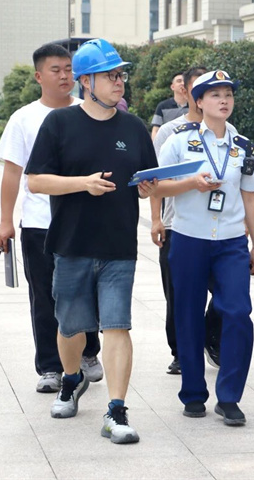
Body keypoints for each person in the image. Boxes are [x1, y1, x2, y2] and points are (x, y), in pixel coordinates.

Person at [25, 39, 158, 444]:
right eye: (110, 75)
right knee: (70, 327)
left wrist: (151, 187)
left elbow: (148, 181)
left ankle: (116, 411)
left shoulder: (133, 128)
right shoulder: (59, 123)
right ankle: (71, 379)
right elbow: (36, 181)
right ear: (86, 82)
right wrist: (82, 183)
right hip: (71, 245)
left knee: (117, 326)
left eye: (121, 74)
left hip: (119, 247)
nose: (119, 81)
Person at [0, 43, 103, 394]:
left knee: (88, 291)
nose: (65, 76)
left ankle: (88, 352)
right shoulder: (23, 118)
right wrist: (5, 220)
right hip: (39, 224)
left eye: (69, 69)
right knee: (44, 296)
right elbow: (13, 174)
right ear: (39, 76)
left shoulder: (91, 112)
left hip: (84, 221)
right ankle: (51, 367)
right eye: (56, 70)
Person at [155, 70, 254, 427]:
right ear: (198, 101)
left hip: (231, 241)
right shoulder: (179, 141)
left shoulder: (243, 146)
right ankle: (193, 393)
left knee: (238, 312)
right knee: (187, 315)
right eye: (215, 95)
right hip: (188, 238)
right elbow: (157, 187)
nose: (224, 100)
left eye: (228, 94)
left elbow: (249, 196)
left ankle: (229, 397)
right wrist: (190, 183)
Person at [151, 66, 223, 375]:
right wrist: (156, 219)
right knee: (178, 294)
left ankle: (210, 336)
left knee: (226, 291)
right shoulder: (171, 132)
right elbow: (155, 178)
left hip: (219, 227)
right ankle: (181, 352)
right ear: (188, 92)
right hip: (176, 224)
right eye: (199, 88)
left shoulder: (228, 129)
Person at [150, 71, 188, 139]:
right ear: (172, 87)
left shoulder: (195, 105)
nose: (182, 83)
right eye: (179, 81)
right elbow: (155, 130)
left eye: (184, 81)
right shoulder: (162, 106)